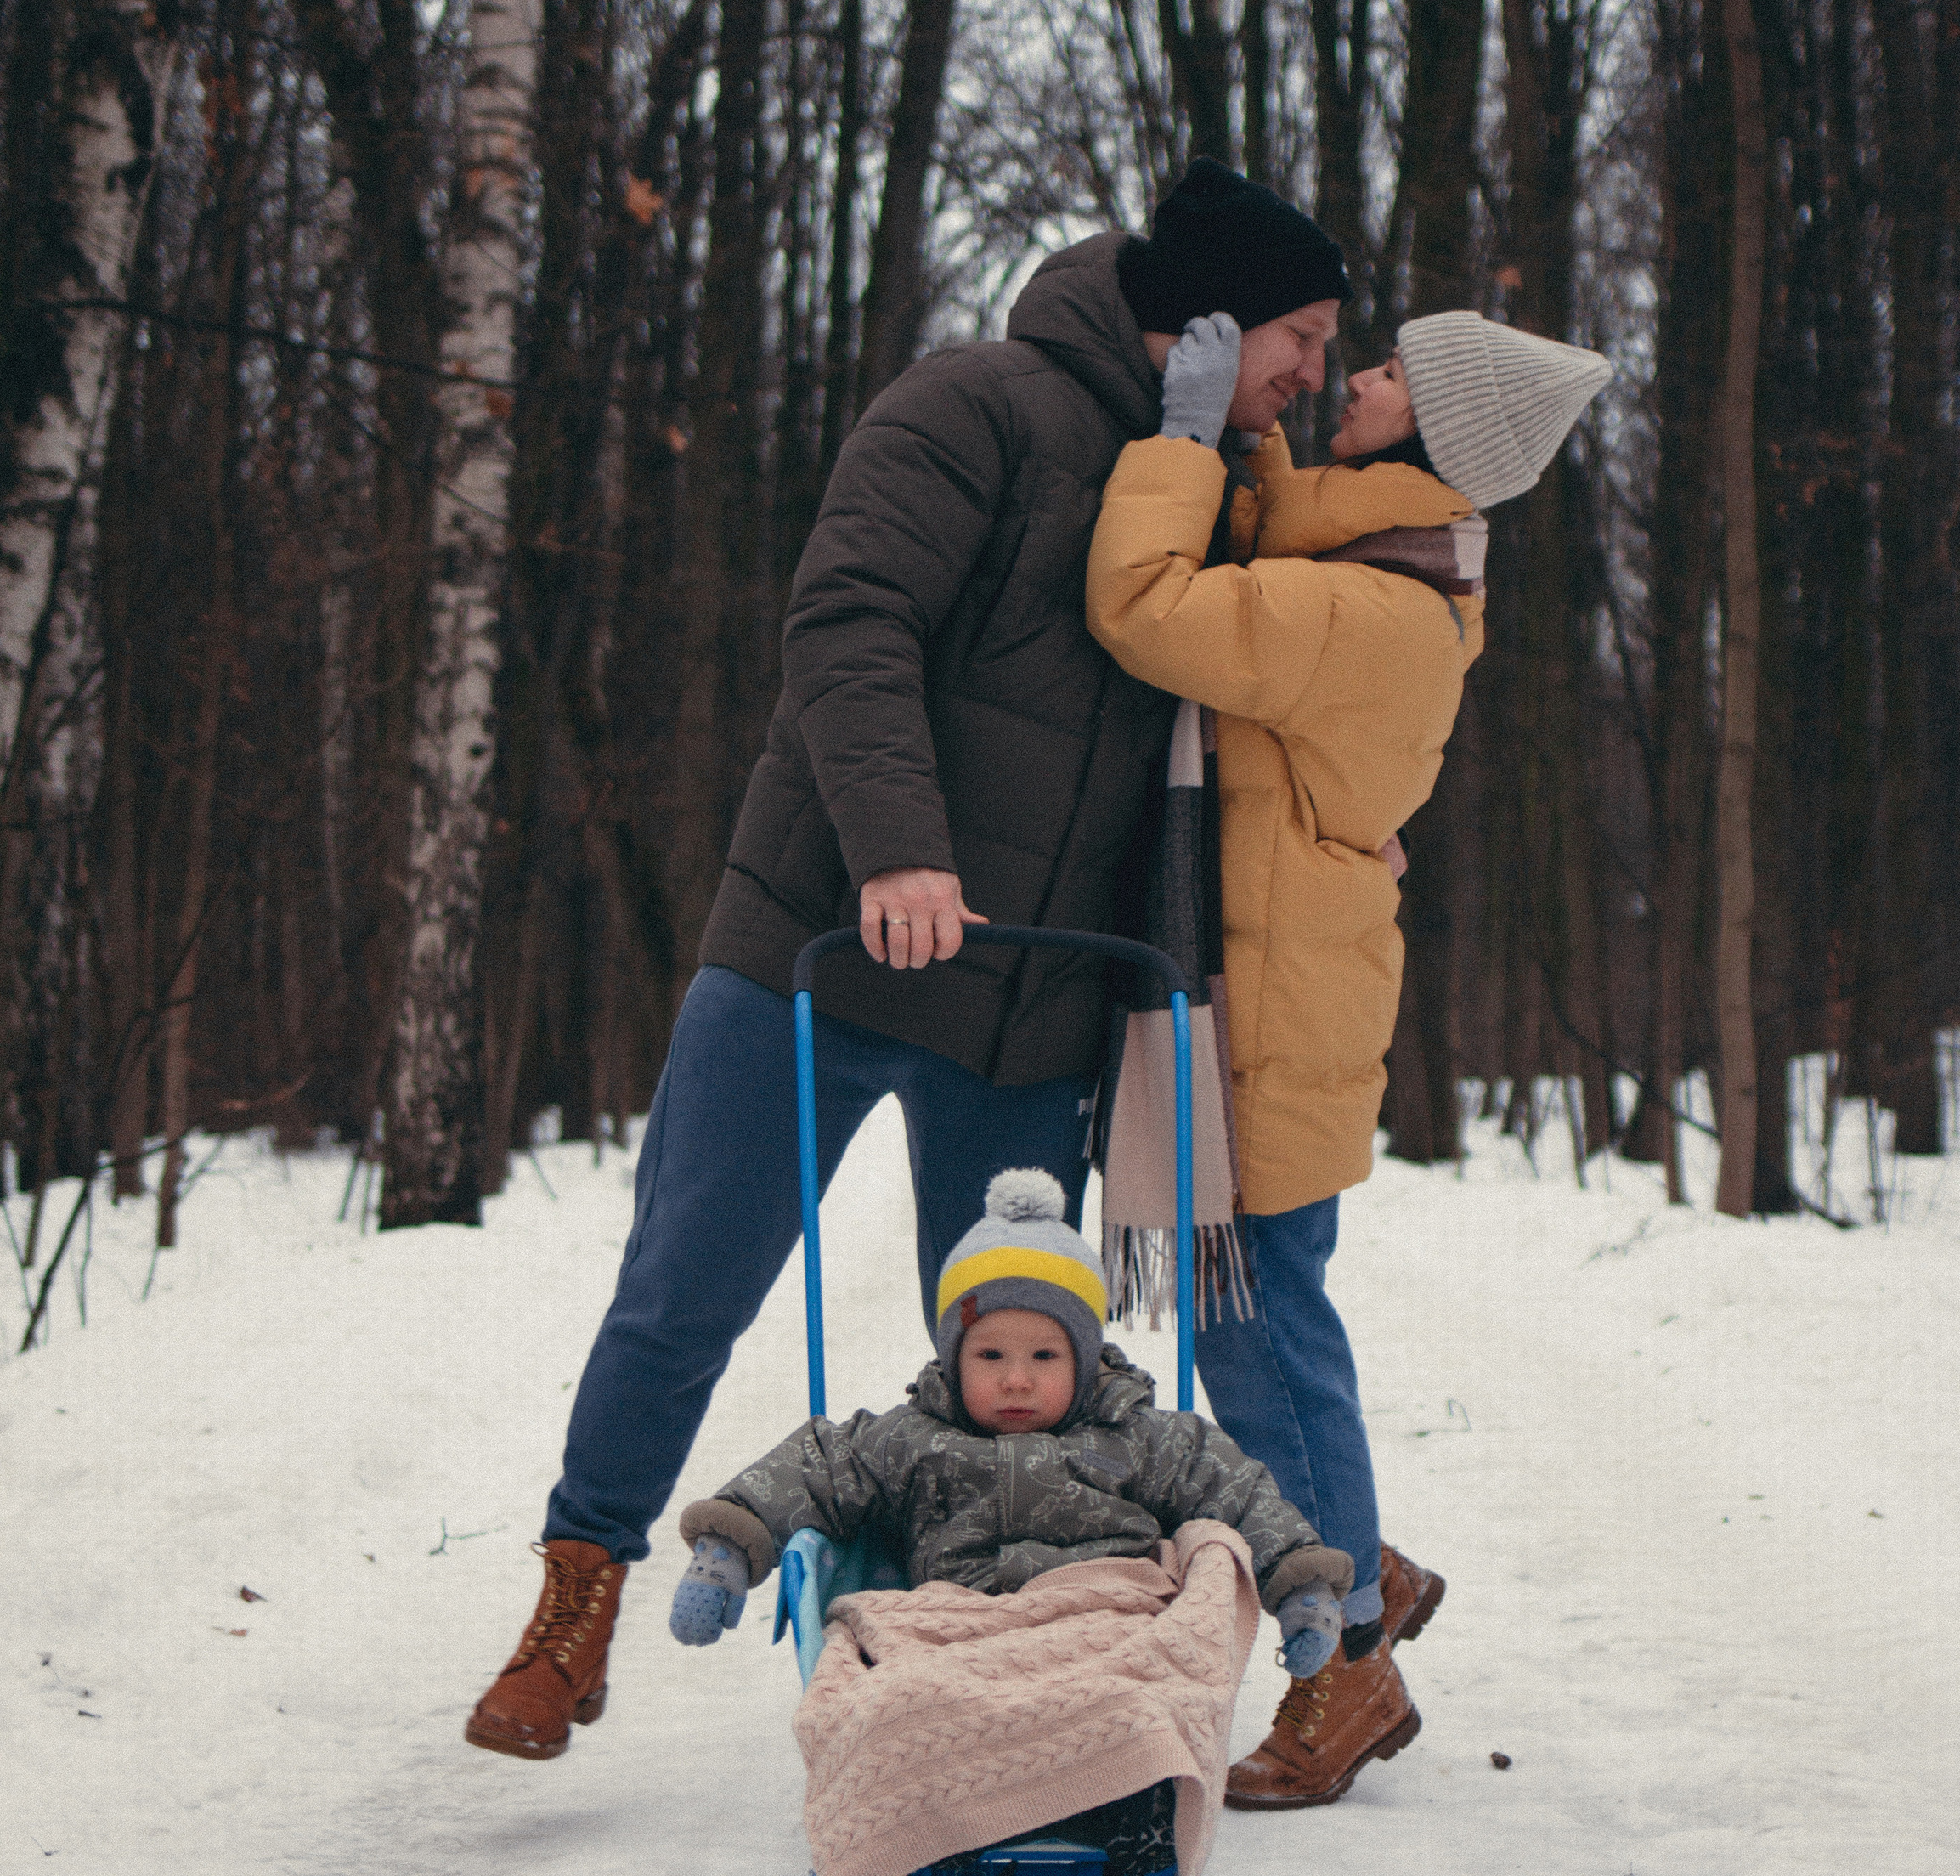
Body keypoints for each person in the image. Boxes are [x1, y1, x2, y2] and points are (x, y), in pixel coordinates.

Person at [466, 160, 1353, 1760]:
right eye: (1297, 334)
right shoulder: (973, 405)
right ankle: (578, 1587)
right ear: (1202, 321)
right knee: (685, 1285)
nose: (1308, 374)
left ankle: (992, 1665)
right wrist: (895, 846)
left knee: (1028, 1364)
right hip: (829, 943)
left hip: (1028, 996)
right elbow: (850, 618)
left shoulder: (1217, 487)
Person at [1085, 300, 1607, 1807]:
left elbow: (1149, 606)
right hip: (1265, 979)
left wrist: (1190, 442)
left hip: (1276, 1008)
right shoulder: (1362, 559)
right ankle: (1348, 1547)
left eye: (1387, 374)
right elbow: (1251, 554)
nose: (1355, 379)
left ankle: (1348, 1661)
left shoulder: (1370, 608)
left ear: (1434, 431)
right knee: (1254, 1311)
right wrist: (1235, 443)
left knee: (1264, 1322)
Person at [667, 1167, 1351, 1673]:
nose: (1016, 1378)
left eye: (1046, 1355)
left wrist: (1299, 1582)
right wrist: (727, 1548)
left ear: (1085, 1362)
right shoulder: (911, 1437)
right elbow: (811, 1467)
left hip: (1109, 1625)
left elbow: (1237, 1490)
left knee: (1157, 1666)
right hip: (957, 1634)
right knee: (878, 1670)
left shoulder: (1138, 1435)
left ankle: (1129, 1780)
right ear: (952, 1357)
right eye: (990, 1353)